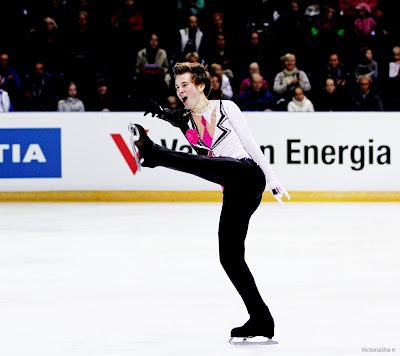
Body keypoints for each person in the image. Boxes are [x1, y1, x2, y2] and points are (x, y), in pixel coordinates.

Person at [131, 62, 289, 341]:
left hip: (248, 175)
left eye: (185, 84)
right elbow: (195, 145)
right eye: (177, 86)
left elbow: (251, 144)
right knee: (229, 257)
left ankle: (153, 154)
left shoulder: (228, 108)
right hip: (233, 189)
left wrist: (273, 179)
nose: (180, 90)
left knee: (204, 163)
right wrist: (169, 117)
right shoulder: (187, 123)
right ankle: (261, 319)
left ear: (201, 85)